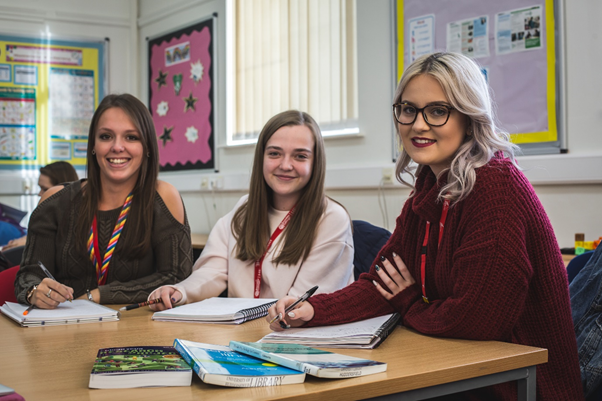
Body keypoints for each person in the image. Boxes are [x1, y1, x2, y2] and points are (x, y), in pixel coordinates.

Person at [267, 53, 583, 400]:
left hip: (517, 385)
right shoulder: (430, 188)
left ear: (468, 117)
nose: (418, 125)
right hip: (464, 371)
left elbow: (477, 321)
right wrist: (312, 309)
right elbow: (382, 283)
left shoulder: (496, 187)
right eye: (408, 109)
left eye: (437, 111)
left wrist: (410, 302)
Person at [149, 110, 354, 311]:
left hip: (292, 336)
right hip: (241, 332)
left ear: (315, 163)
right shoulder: (244, 209)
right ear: (261, 158)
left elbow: (299, 306)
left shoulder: (331, 219)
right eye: (274, 153)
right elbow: (213, 270)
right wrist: (179, 292)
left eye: (300, 156)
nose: (285, 165)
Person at [14, 94, 193, 307]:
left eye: (131, 137)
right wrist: (34, 291)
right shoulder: (54, 202)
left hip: (137, 328)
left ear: (147, 148)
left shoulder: (164, 198)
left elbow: (176, 277)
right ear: (93, 145)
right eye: (106, 136)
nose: (117, 147)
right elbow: (28, 276)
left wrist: (98, 295)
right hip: (65, 329)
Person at [3, 161, 79, 250]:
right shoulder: (47, 216)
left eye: (45, 189)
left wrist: (29, 242)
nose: (40, 194)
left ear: (63, 190)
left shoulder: (77, 219)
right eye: (40, 188)